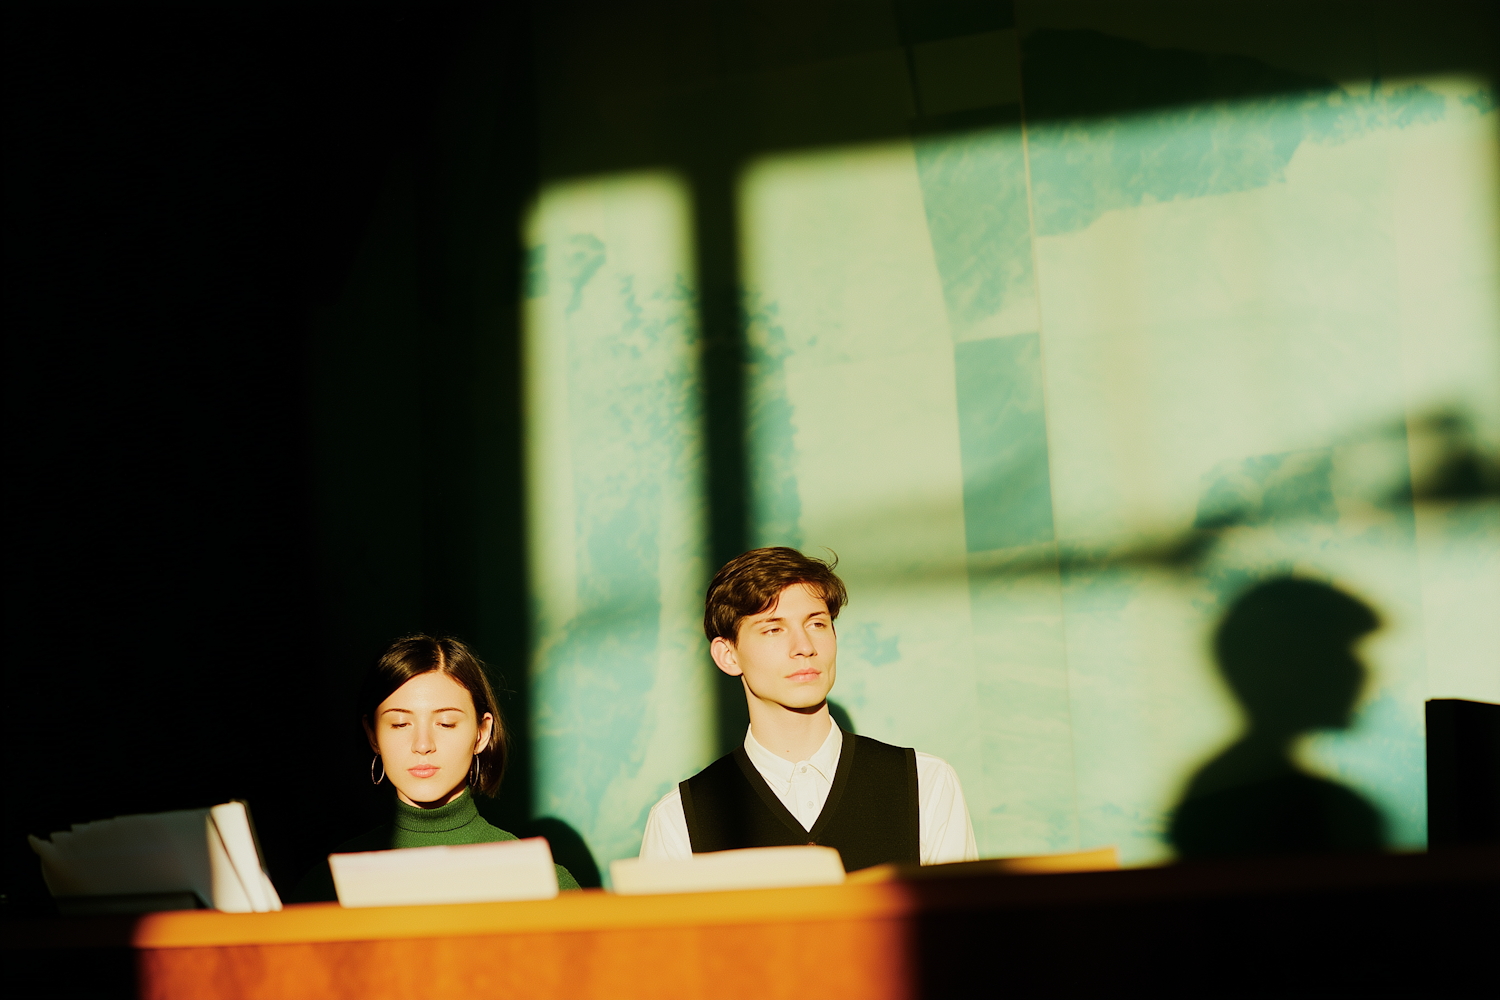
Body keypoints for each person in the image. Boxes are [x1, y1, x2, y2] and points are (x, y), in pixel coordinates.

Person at [638, 547, 977, 871]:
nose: (804, 647)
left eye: (816, 624)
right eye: (773, 629)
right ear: (728, 656)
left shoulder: (927, 784)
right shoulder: (679, 818)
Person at [292, 635, 579, 901]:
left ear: (482, 733)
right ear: (372, 735)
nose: (423, 744)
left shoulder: (544, 884)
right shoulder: (326, 887)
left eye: (446, 723)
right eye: (400, 724)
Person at [1169, 577, 1386, 858]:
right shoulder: (1323, 809)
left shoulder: (1221, 787)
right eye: (1340, 653)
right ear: (1285, 667)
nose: (1361, 673)